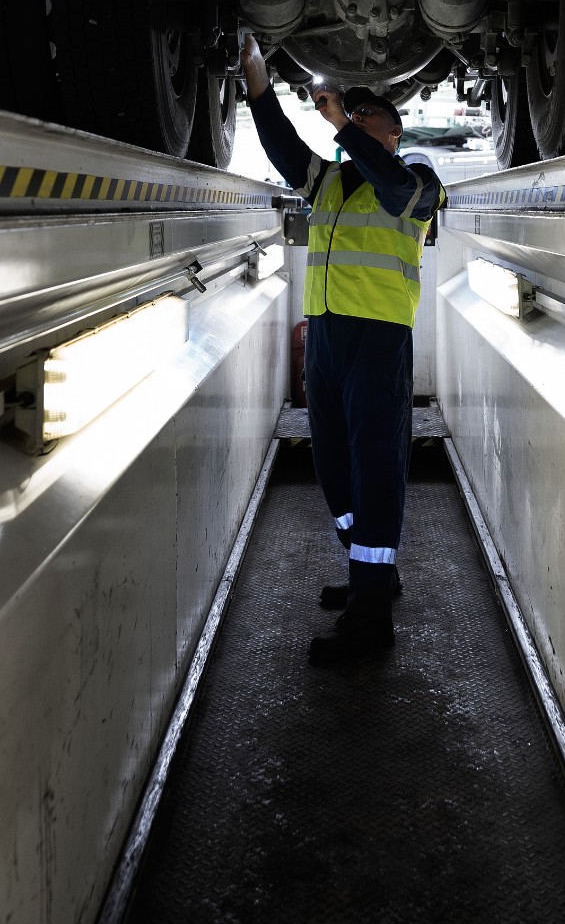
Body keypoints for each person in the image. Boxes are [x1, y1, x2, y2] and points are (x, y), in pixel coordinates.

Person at [240, 34, 446, 664]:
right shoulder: (328, 180)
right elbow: (282, 151)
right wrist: (256, 85)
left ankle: (370, 620)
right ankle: (372, 578)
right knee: (333, 465)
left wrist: (343, 125)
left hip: (379, 341)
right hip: (327, 337)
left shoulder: (416, 181)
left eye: (368, 117)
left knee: (377, 469)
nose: (354, 120)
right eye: (350, 114)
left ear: (392, 135)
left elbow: (390, 184)